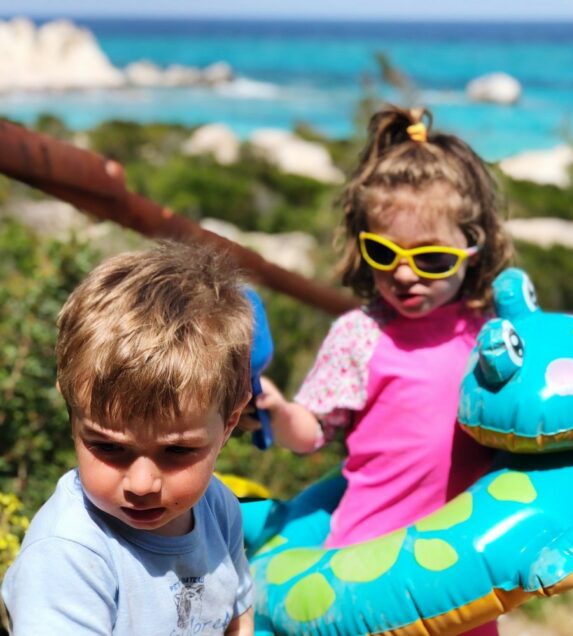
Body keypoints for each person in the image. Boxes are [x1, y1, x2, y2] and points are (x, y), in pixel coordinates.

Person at [245, 106, 511, 635]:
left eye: (431, 258)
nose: (405, 273)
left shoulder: (494, 331)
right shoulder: (360, 335)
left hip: (462, 566)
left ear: (473, 249)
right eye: (384, 253)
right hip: (368, 561)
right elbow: (311, 433)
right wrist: (279, 411)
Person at [1, 242, 255, 635]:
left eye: (177, 450)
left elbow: (238, 616)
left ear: (229, 424)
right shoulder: (68, 554)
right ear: (73, 415)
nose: (141, 484)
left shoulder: (217, 508)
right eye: (109, 447)